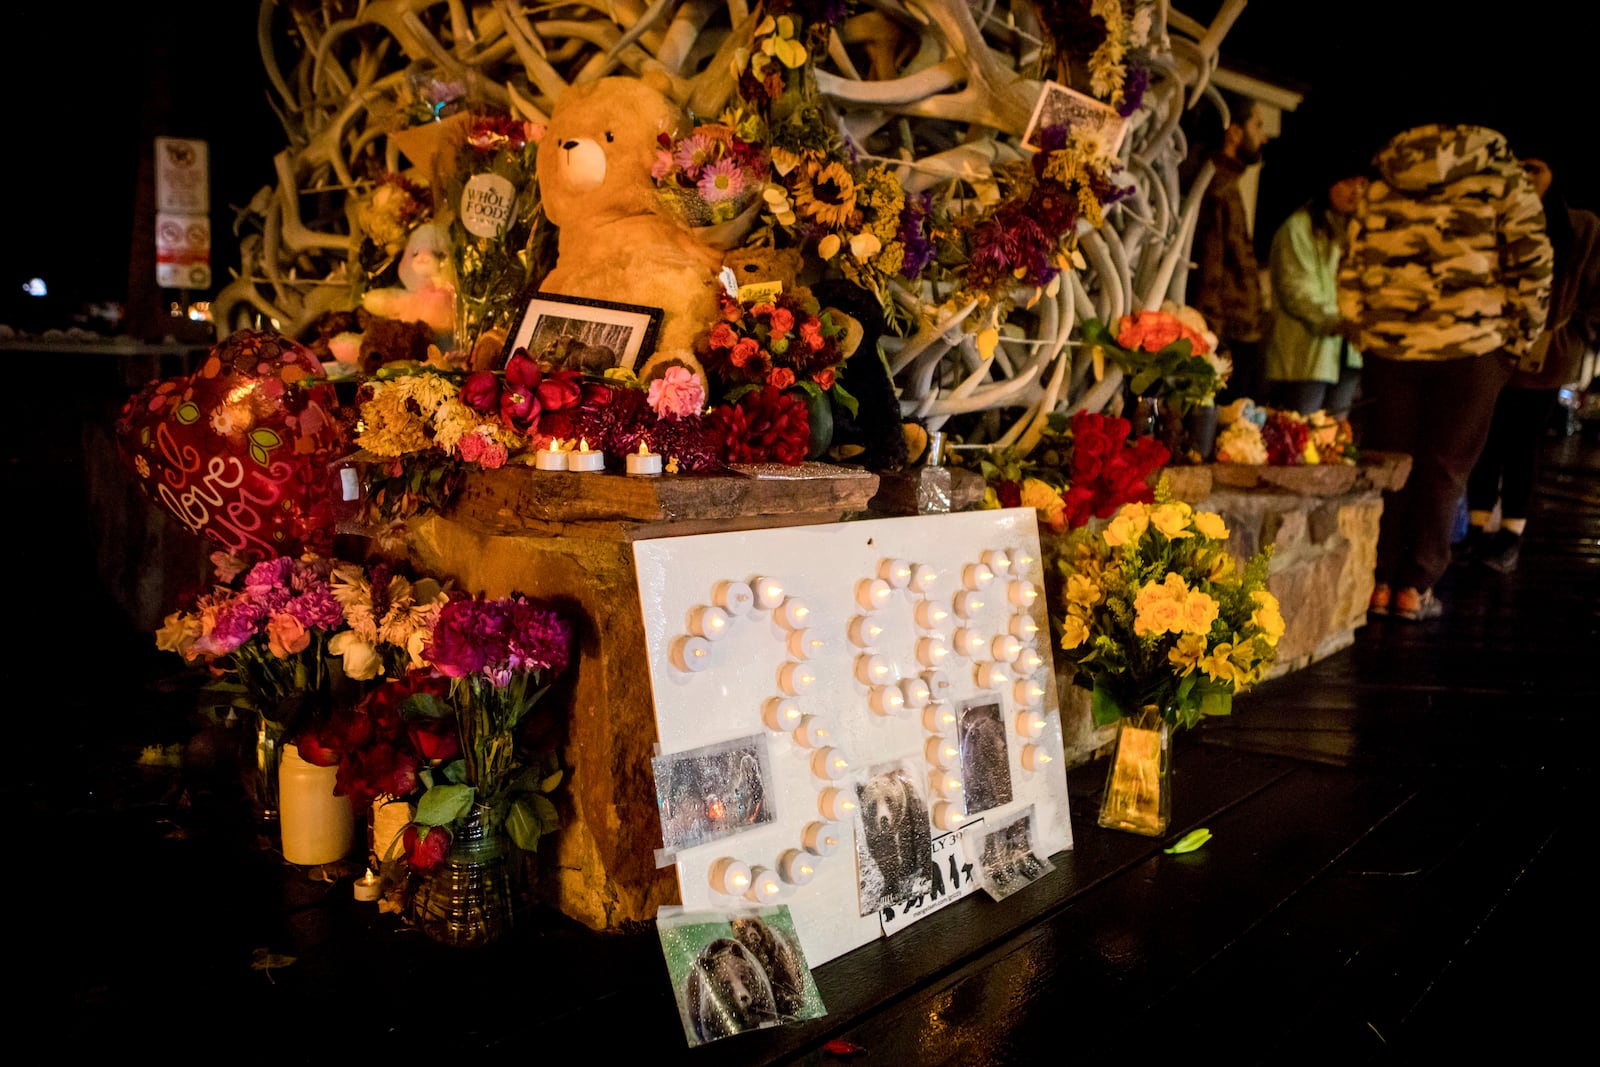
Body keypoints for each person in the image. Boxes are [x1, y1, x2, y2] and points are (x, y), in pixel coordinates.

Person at [1338, 123, 1553, 621]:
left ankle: (1381, 581)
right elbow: (1534, 262)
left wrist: (1364, 331)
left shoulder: (1385, 177)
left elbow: (1352, 262)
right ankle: (1416, 586)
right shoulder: (1502, 174)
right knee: (1444, 469)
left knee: (1390, 464)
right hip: (1473, 346)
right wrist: (1515, 341)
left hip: (1391, 346)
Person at [1456, 152, 1600, 572]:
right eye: (1521, 168)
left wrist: (1578, 335)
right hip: (1497, 348)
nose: (1527, 176)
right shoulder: (1499, 217)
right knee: (1487, 436)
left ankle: (1511, 532)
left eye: (1535, 168)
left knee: (1521, 442)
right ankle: (1480, 524)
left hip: (1547, 351)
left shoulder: (1582, 226)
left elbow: (1593, 290)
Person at [1264, 163, 1370, 418]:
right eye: (1347, 182)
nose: (1356, 191)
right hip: (1307, 359)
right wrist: (1342, 321)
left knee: (1336, 439)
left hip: (1349, 355)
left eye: (1362, 183)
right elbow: (1297, 292)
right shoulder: (1298, 228)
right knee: (1300, 435)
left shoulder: (1359, 232)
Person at [1188, 90, 1268, 406]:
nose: (1263, 138)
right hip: (1227, 336)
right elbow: (1211, 264)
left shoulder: (1227, 182)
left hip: (1239, 332)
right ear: (1235, 132)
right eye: (1258, 126)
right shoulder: (1216, 184)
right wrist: (1215, 340)